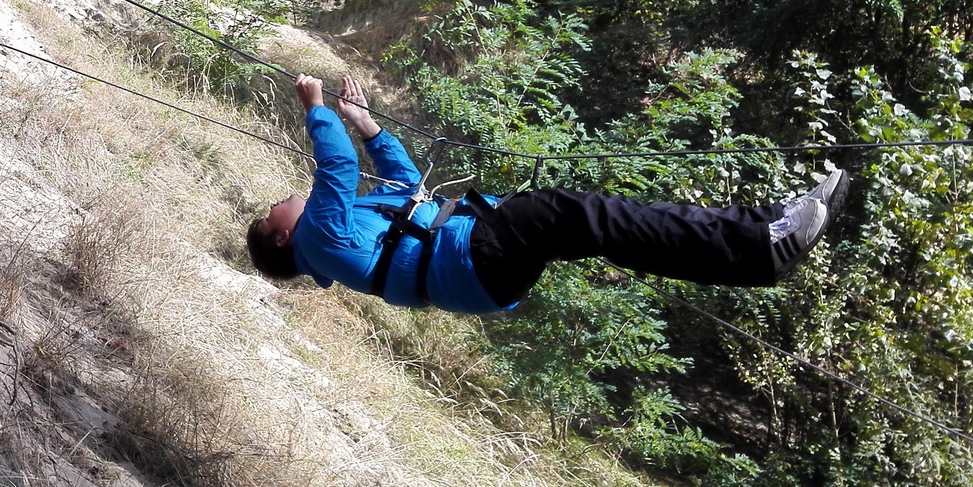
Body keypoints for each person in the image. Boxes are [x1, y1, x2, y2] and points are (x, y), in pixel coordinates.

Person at [246, 74, 849, 313]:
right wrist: (316, 108)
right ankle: (758, 245)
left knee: (598, 222)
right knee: (579, 213)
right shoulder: (319, 240)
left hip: (476, 266)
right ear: (282, 237)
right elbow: (336, 168)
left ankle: (760, 232)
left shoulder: (342, 232)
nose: (279, 202)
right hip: (470, 260)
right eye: (274, 212)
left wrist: (367, 125)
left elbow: (405, 188)